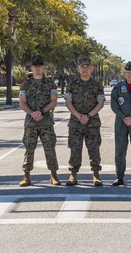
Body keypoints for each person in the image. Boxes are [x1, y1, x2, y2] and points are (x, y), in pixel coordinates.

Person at [18, 55, 61, 187]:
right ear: (31, 68)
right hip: (31, 122)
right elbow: (22, 103)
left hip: (46, 121)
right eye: (35, 66)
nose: (37, 69)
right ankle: (26, 176)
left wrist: (41, 111)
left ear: (43, 68)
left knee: (50, 148)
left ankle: (53, 175)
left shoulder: (50, 83)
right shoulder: (25, 84)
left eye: (39, 66)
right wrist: (32, 113)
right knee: (29, 149)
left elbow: (53, 101)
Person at [64, 56, 106, 186]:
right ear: (78, 69)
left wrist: (88, 116)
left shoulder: (97, 85)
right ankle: (73, 174)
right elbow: (68, 102)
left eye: (87, 67)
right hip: (75, 123)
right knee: (75, 149)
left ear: (91, 69)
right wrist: (78, 116)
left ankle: (96, 175)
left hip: (92, 122)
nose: (85, 69)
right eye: (83, 67)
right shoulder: (71, 84)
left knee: (94, 149)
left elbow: (100, 103)